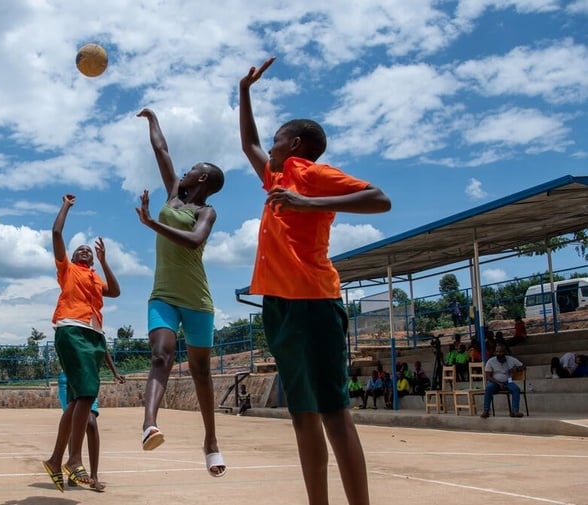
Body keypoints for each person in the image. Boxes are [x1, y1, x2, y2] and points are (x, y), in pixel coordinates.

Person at [240, 56, 391, 505]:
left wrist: (307, 204)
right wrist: (244, 90)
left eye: (277, 140)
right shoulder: (275, 177)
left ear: (297, 144)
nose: (269, 146)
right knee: (302, 414)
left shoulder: (314, 176)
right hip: (280, 306)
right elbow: (247, 141)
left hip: (314, 303)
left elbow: (380, 199)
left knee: (333, 412)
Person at [135, 108, 226, 477]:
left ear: (202, 177)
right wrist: (153, 119)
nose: (183, 171)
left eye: (191, 169)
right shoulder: (173, 192)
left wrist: (153, 224)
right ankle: (149, 425)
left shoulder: (207, 211)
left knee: (201, 372)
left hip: (197, 299)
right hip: (163, 295)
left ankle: (211, 442)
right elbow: (162, 150)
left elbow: (194, 243)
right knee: (161, 355)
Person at [42, 194, 121, 493]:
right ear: (73, 258)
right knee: (87, 395)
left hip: (94, 336)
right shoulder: (68, 270)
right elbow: (56, 233)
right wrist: (66, 205)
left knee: (77, 401)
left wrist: (104, 261)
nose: (85, 251)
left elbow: (115, 290)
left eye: (89, 251)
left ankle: (54, 459)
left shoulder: (95, 277)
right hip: (72, 331)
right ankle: (74, 460)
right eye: (81, 250)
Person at [56, 349, 125, 492]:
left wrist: (115, 372)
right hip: (68, 379)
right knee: (74, 424)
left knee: (91, 423)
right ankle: (74, 468)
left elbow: (103, 348)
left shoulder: (95, 328)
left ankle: (94, 477)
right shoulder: (70, 328)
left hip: (88, 378)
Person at [480, 344, 525, 419]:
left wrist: (516, 369)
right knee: (488, 388)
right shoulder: (491, 361)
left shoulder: (511, 359)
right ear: (495, 353)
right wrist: (498, 383)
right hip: (495, 382)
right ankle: (486, 410)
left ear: (504, 352)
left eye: (501, 352)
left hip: (508, 382)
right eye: (497, 352)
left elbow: (523, 366)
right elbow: (488, 376)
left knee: (516, 389)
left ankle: (515, 411)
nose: (499, 354)